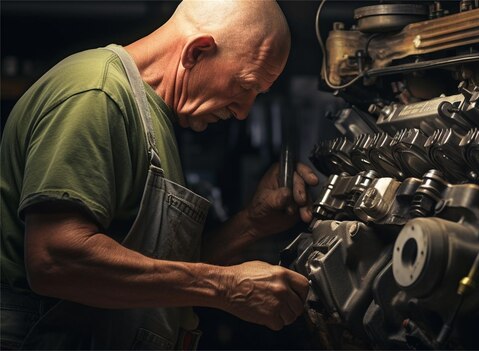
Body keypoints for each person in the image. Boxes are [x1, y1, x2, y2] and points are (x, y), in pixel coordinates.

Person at [0, 0, 319, 349]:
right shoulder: (98, 93)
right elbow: (55, 260)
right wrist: (225, 287)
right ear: (197, 52)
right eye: (246, 86)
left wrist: (251, 223)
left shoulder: (151, 114)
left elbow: (158, 277)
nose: (243, 112)